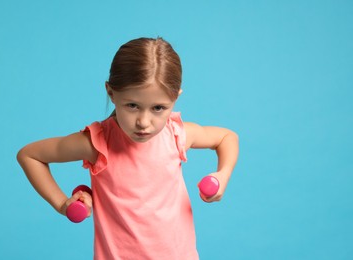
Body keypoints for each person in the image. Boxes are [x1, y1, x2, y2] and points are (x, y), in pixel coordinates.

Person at [17, 37, 239, 260]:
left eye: (158, 108)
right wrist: (62, 205)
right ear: (111, 93)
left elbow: (227, 137)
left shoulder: (176, 134)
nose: (144, 121)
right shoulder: (97, 143)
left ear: (175, 98)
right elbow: (29, 155)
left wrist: (223, 174)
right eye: (132, 105)